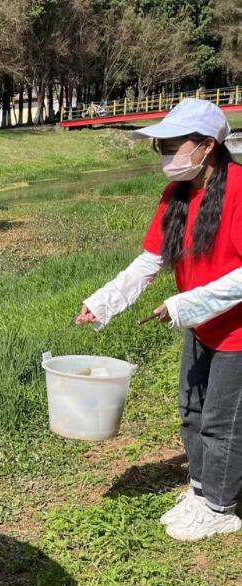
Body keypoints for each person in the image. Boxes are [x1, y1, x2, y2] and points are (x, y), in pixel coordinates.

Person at [77, 98, 242, 541]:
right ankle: (201, 491)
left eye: (173, 145)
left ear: (207, 146)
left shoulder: (240, 190)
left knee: (223, 422)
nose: (166, 155)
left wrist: (186, 304)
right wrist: (104, 302)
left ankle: (221, 507)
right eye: (161, 147)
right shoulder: (178, 194)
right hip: (202, 328)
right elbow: (151, 260)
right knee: (191, 412)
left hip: (238, 334)